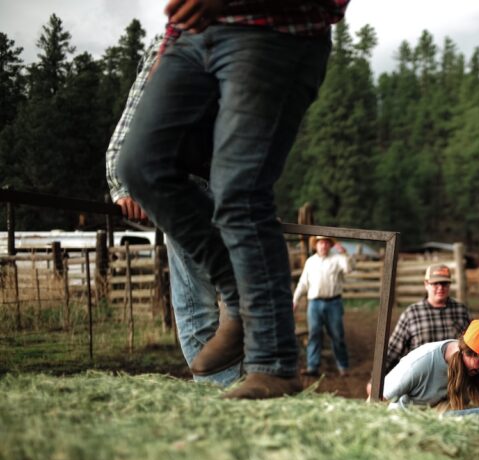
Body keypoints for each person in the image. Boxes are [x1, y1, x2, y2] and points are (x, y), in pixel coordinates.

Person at [117, 0, 347, 400]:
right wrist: (170, 43)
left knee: (239, 191)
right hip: (191, 37)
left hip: (273, 29)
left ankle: (274, 363)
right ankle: (239, 292)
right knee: (139, 167)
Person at [106, 38, 241, 388]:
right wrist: (125, 183)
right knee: (198, 304)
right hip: (187, 185)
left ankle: (234, 389)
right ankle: (221, 395)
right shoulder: (177, 41)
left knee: (245, 299)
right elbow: (136, 115)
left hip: (230, 189)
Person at [383, 319, 479, 411]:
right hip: (405, 421)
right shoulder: (421, 362)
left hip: (441, 423)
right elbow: (381, 397)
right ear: (467, 352)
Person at [384, 263, 471, 374]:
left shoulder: (461, 311)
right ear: (426, 284)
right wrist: (375, 379)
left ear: (449, 285)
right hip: (420, 378)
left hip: (455, 378)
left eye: (444, 283)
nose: (440, 287)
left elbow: (472, 346)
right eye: (435, 283)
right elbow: (393, 350)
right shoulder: (412, 314)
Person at [293, 235, 354, 376]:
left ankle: (343, 366)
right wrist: (295, 300)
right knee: (314, 334)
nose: (323, 245)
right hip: (314, 303)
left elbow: (349, 269)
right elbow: (303, 283)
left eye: (326, 243)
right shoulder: (310, 262)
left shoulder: (338, 258)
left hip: (334, 302)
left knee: (337, 335)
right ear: (316, 245)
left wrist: (345, 254)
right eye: (321, 242)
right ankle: (312, 367)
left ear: (330, 245)